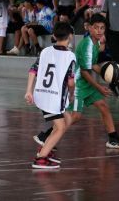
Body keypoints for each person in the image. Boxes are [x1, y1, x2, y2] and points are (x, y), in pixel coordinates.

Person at [33, 14, 119, 149]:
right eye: (96, 28)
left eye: (102, 28)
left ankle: (113, 138)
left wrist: (106, 72)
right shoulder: (87, 45)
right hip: (79, 84)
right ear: (89, 28)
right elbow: (84, 71)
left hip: (86, 84)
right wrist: (100, 87)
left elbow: (92, 65)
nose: (99, 31)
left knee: (103, 106)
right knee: (75, 116)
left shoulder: (95, 42)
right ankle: (45, 136)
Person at [25, 21, 76, 169]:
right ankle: (40, 159)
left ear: (54, 35)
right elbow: (71, 83)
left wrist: (29, 90)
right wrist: (71, 95)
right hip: (53, 98)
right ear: (70, 37)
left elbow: (33, 70)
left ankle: (46, 149)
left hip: (41, 94)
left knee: (68, 119)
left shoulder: (45, 51)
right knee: (60, 127)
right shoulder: (70, 56)